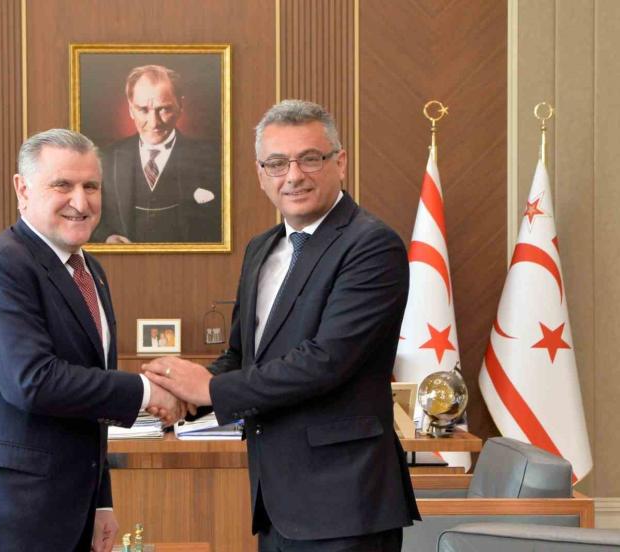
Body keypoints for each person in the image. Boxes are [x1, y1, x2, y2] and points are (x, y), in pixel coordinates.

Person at [144, 100, 420, 551]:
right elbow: (242, 356)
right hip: (276, 501)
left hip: (345, 500)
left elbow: (326, 361)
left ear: (340, 162)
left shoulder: (371, 245)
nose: (293, 176)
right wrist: (181, 393)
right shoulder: (262, 249)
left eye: (309, 158)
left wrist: (210, 390)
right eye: (276, 163)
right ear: (261, 174)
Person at [0, 129, 185, 552]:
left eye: (90, 186)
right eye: (62, 185)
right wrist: (148, 391)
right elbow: (33, 381)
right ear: (22, 189)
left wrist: (100, 502)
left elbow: (90, 402)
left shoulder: (90, 272)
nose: (81, 202)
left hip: (61, 514)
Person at [91, 64, 221, 244]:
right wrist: (106, 238)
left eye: (164, 109)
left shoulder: (214, 160)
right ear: (130, 109)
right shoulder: (105, 159)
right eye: (143, 110)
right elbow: (86, 217)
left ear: (180, 106)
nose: (154, 123)